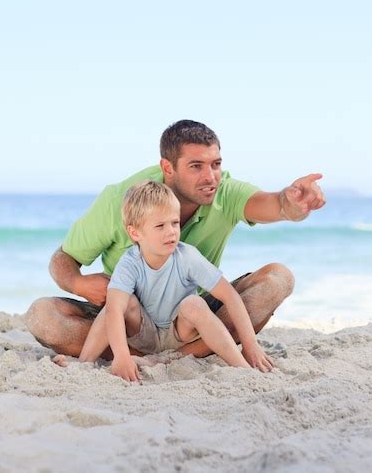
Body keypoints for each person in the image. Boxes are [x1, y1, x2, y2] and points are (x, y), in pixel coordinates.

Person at [26, 119, 325, 364]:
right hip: (128, 319)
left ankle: (176, 356)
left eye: (216, 164)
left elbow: (274, 205)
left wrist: (292, 202)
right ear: (168, 168)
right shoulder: (122, 201)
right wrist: (79, 284)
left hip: (187, 320)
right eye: (196, 166)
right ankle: (138, 356)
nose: (210, 177)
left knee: (278, 278)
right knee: (43, 317)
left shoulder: (224, 193)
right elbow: (63, 261)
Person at [55, 181, 273, 380]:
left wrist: (250, 344)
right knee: (117, 303)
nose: (171, 232)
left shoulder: (187, 256)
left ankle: (241, 367)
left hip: (180, 333)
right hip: (142, 333)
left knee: (195, 304)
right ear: (135, 233)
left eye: (175, 223)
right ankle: (84, 363)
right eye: (160, 226)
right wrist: (121, 356)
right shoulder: (130, 262)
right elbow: (114, 312)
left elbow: (230, 296)